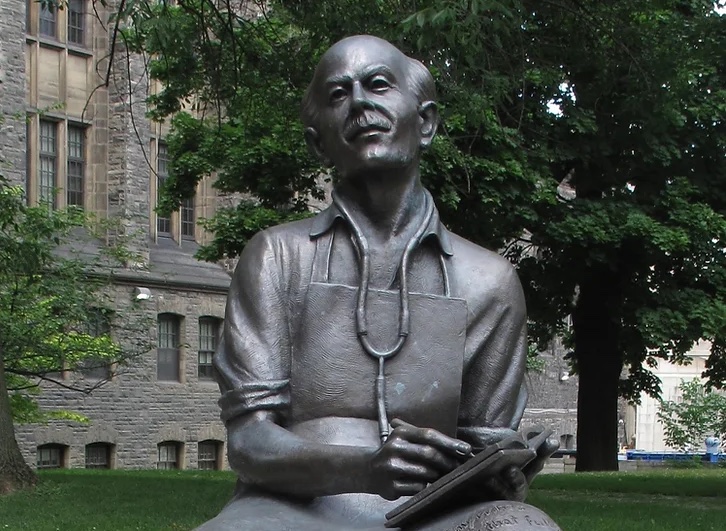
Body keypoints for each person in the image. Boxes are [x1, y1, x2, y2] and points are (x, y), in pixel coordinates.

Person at [198, 35, 556, 531]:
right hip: (291, 508)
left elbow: (481, 443)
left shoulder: (489, 281)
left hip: (435, 514)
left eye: (379, 85)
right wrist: (363, 468)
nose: (361, 102)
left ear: (425, 122)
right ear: (317, 141)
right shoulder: (278, 256)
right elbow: (249, 442)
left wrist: (500, 475)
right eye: (339, 94)